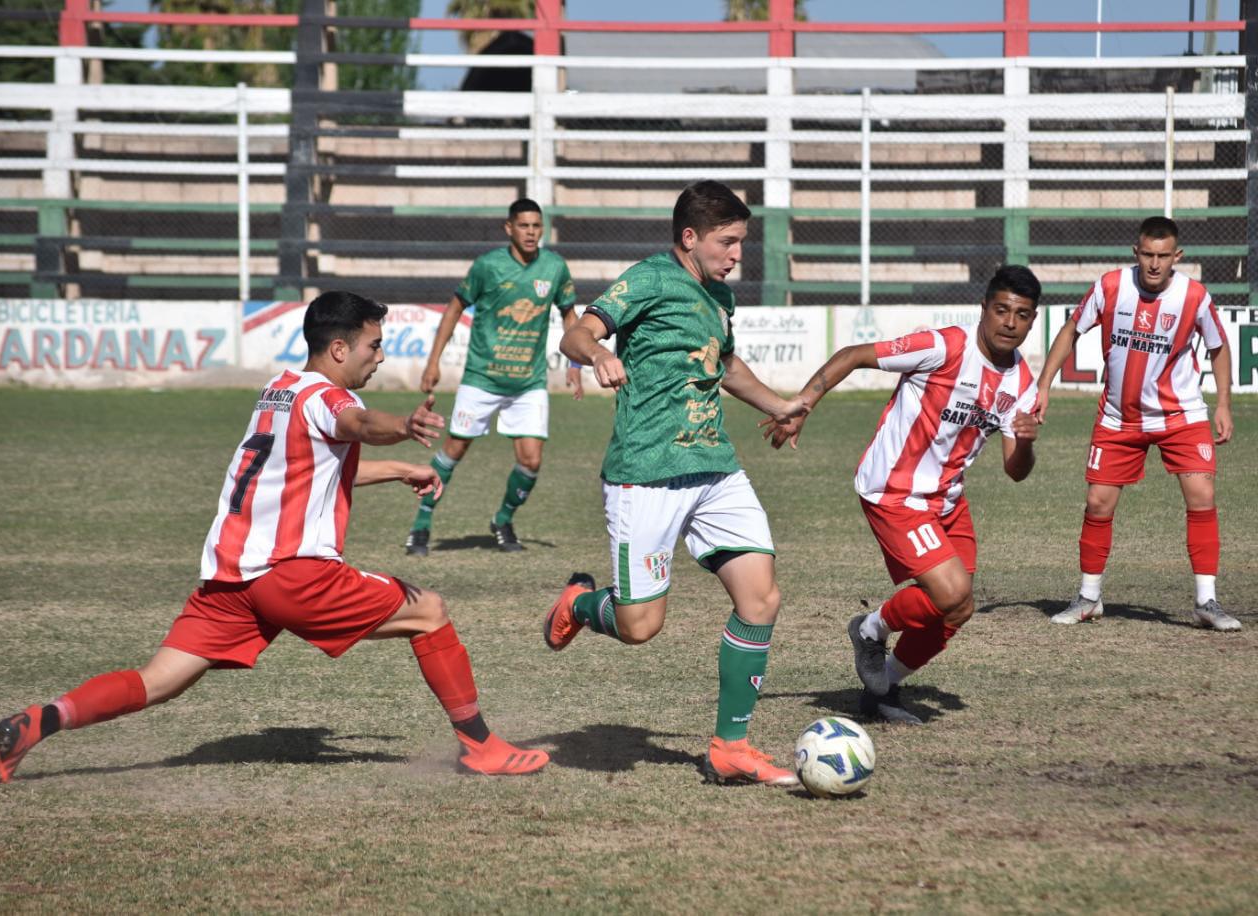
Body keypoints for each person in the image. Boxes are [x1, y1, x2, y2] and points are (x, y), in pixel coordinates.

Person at [0, 291, 550, 784]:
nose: (381, 356)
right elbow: (356, 424)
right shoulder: (333, 399)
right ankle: (480, 747)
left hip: (232, 576)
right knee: (429, 610)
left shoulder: (278, 392)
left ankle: (41, 719)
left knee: (158, 680)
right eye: (374, 346)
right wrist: (401, 429)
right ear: (339, 349)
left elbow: (313, 470)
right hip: (293, 572)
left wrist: (402, 470)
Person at [543, 180, 806, 787]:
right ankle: (582, 604)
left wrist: (778, 405)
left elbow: (725, 363)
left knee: (761, 597)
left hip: (715, 469)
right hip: (646, 474)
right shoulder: (650, 279)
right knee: (640, 627)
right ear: (689, 238)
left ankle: (729, 747)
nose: (737, 254)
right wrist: (598, 355)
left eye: (741, 242)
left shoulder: (720, 297)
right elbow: (577, 333)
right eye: (727, 241)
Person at [763, 266, 1043, 725]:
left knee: (958, 609)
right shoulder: (944, 347)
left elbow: (1016, 471)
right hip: (894, 491)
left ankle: (884, 688)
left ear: (1032, 322)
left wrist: (1027, 441)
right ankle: (870, 630)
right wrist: (802, 406)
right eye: (1001, 310)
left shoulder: (1021, 384)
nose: (1009, 322)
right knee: (952, 592)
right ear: (984, 309)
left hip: (947, 501)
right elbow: (854, 354)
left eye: (1022, 315)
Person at [1035, 216, 1238, 631]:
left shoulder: (1194, 296)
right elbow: (1072, 330)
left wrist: (1223, 404)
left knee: (1201, 494)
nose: (1155, 264)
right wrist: (1044, 385)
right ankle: (1089, 597)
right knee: (1098, 503)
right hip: (1119, 417)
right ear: (1136, 252)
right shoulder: (1110, 286)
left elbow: (1218, 348)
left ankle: (1206, 602)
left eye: (1164, 256)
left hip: (1181, 415)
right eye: (1148, 254)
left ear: (1177, 256)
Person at [405, 198, 581, 557]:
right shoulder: (487, 266)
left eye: (536, 226)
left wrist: (576, 365)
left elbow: (570, 315)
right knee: (455, 450)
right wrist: (433, 362)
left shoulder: (554, 268)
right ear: (509, 228)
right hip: (482, 378)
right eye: (524, 226)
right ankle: (421, 524)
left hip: (528, 383)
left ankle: (502, 519)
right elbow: (455, 308)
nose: (531, 232)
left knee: (531, 460)